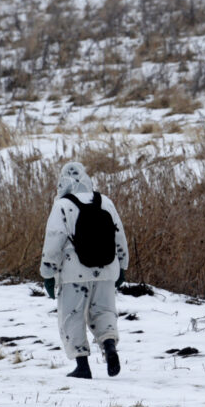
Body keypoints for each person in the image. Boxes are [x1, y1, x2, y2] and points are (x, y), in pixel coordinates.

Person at [40, 161, 129, 379]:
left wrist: (48, 274)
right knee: (104, 311)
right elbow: (119, 237)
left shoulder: (62, 205)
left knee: (72, 316)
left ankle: (82, 365)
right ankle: (109, 346)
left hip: (73, 272)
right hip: (107, 268)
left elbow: (53, 242)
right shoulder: (105, 201)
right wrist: (122, 267)